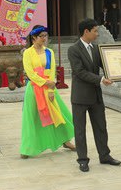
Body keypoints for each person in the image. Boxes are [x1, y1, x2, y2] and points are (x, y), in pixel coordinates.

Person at [67, 19, 121, 172]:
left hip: (96, 96)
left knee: (101, 127)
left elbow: (108, 66)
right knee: (80, 130)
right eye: (95, 31)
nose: (97, 34)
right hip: (80, 97)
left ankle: (105, 155)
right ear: (86, 31)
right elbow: (80, 72)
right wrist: (101, 79)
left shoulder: (97, 48)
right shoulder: (73, 50)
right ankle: (82, 159)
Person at [20, 25, 75, 158]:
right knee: (31, 118)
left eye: (46, 36)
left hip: (49, 88)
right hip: (34, 89)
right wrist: (45, 82)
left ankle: (65, 141)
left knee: (58, 113)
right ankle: (27, 147)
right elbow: (30, 73)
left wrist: (51, 88)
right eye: (41, 36)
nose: (44, 38)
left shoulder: (49, 52)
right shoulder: (27, 52)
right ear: (34, 37)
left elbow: (51, 71)